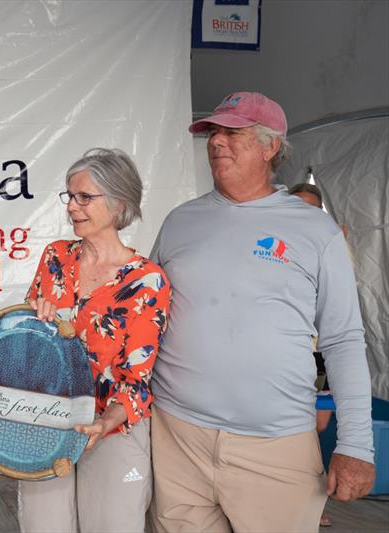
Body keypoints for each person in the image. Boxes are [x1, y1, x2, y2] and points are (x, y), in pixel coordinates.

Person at [150, 92, 375, 532]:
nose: (217, 142)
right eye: (214, 132)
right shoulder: (180, 221)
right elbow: (145, 314)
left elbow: (343, 340)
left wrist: (357, 446)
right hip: (177, 436)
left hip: (275, 446)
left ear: (272, 147)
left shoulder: (315, 231)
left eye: (234, 133)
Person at [23, 148, 171, 533]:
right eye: (70, 196)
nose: (72, 206)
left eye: (84, 197)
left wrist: (105, 423)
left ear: (118, 202)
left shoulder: (147, 282)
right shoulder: (55, 258)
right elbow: (25, 350)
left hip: (112, 427)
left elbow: (137, 380)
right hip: (47, 422)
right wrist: (32, 322)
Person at [289, 182, 334, 528]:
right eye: (297, 205)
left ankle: (311, 503)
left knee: (317, 424)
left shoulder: (329, 248)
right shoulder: (273, 246)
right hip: (287, 355)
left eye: (311, 207)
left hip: (319, 355)